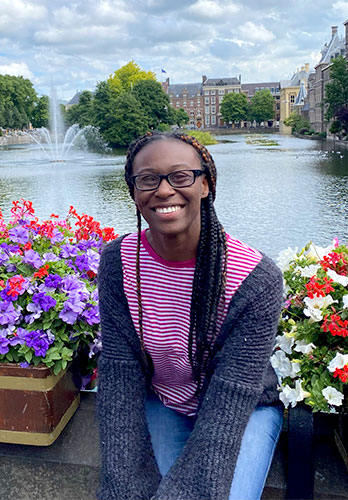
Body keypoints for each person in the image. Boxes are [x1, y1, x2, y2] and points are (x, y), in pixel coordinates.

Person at [97, 131, 284, 500]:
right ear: (134, 191)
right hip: (164, 398)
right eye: (148, 179)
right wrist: (124, 483)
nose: (164, 191)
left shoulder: (255, 278)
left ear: (206, 185)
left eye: (181, 176)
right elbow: (120, 370)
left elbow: (232, 393)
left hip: (242, 410)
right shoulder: (118, 263)